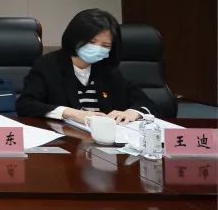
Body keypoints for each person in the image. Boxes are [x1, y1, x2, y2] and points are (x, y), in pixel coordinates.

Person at [16, 8, 153, 124]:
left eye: (105, 45)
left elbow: (144, 102)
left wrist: (132, 113)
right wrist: (70, 113)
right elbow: (26, 105)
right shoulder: (48, 65)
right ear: (75, 38)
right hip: (66, 139)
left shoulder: (108, 69)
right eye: (91, 42)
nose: (97, 49)